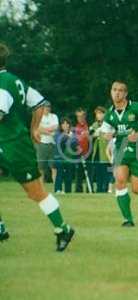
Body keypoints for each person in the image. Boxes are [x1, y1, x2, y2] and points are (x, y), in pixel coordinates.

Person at [0, 43, 74, 251]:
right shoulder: (15, 80)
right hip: (7, 142)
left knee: (35, 192)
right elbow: (39, 103)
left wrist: (32, 129)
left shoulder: (3, 84)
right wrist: (33, 128)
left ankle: (63, 228)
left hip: (14, 145)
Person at [100, 80, 138, 227]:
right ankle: (128, 219)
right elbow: (105, 132)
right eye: (114, 90)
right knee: (119, 180)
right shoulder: (109, 114)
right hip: (120, 149)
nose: (116, 93)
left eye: (120, 90)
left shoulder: (137, 108)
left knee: (137, 190)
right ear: (111, 92)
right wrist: (107, 135)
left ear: (125, 93)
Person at [36, 101, 59, 183]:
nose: (47, 108)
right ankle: (40, 186)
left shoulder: (54, 116)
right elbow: (38, 129)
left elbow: (56, 127)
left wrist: (44, 129)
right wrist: (49, 131)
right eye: (46, 107)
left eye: (49, 107)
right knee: (41, 167)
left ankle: (56, 185)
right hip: (42, 143)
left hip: (52, 144)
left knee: (54, 167)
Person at [54, 117, 77, 194]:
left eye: (67, 123)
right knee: (59, 173)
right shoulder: (57, 133)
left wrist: (69, 138)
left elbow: (75, 142)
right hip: (59, 157)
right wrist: (67, 137)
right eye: (63, 123)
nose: (65, 125)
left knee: (69, 174)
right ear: (60, 125)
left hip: (69, 158)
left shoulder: (72, 134)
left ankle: (68, 190)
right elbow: (58, 141)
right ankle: (58, 189)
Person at [90, 106, 110, 193]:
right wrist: (93, 134)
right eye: (97, 114)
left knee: (106, 172)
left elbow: (110, 136)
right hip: (96, 152)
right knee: (97, 172)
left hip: (105, 153)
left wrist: (101, 133)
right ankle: (98, 189)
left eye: (100, 113)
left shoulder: (108, 125)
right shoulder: (94, 125)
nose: (98, 115)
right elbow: (90, 136)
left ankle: (105, 189)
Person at [74, 107, 91, 193]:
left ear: (85, 116)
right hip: (79, 154)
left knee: (90, 172)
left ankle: (89, 190)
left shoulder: (89, 125)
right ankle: (78, 190)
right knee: (79, 173)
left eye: (82, 116)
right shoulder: (75, 127)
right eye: (78, 116)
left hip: (89, 153)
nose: (80, 118)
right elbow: (73, 141)